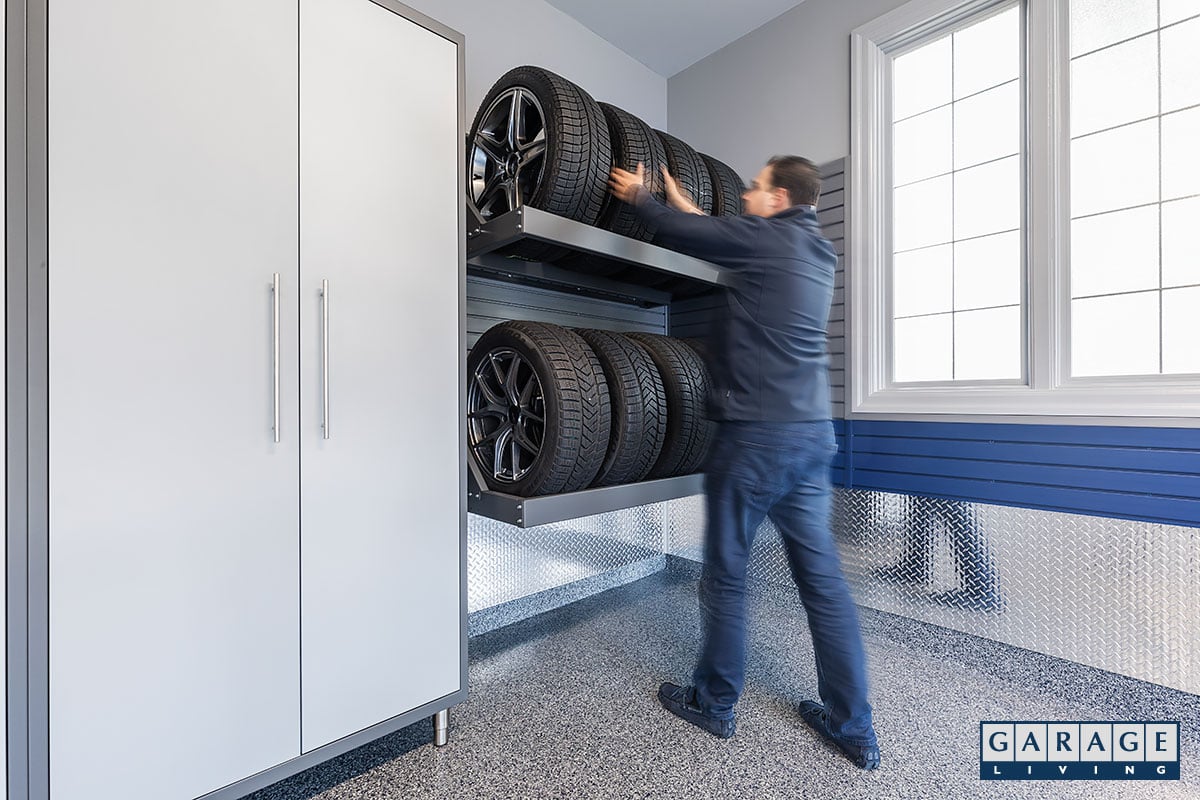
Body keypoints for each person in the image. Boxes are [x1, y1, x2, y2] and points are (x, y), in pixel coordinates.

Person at [608, 157, 880, 770]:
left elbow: (686, 233)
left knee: (727, 575)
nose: (748, 194)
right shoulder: (816, 252)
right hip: (812, 439)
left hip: (756, 441)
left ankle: (714, 702)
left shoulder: (765, 240)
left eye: (755, 188)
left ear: (778, 198)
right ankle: (853, 728)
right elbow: (720, 233)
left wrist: (642, 198)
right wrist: (685, 202)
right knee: (825, 588)